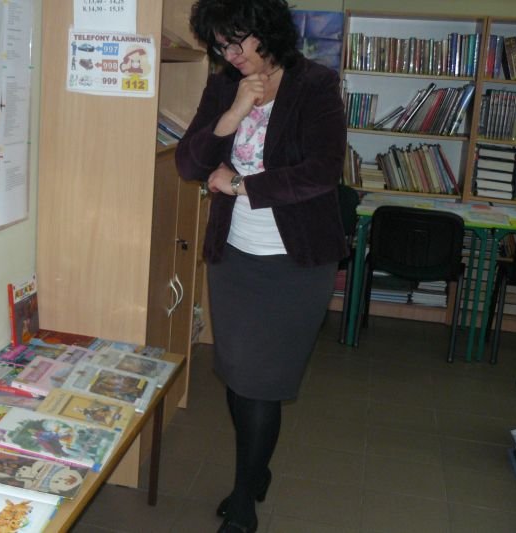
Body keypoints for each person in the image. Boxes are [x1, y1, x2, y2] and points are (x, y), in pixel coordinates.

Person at [175, 1, 347, 532]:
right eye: (220, 45)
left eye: (238, 41)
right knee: (238, 376)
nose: (230, 54)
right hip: (234, 257)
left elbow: (322, 171)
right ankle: (257, 470)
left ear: (266, 31)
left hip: (296, 262)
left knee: (261, 383)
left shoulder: (315, 84)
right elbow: (189, 162)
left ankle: (244, 500)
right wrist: (232, 114)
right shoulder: (225, 85)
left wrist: (241, 183)